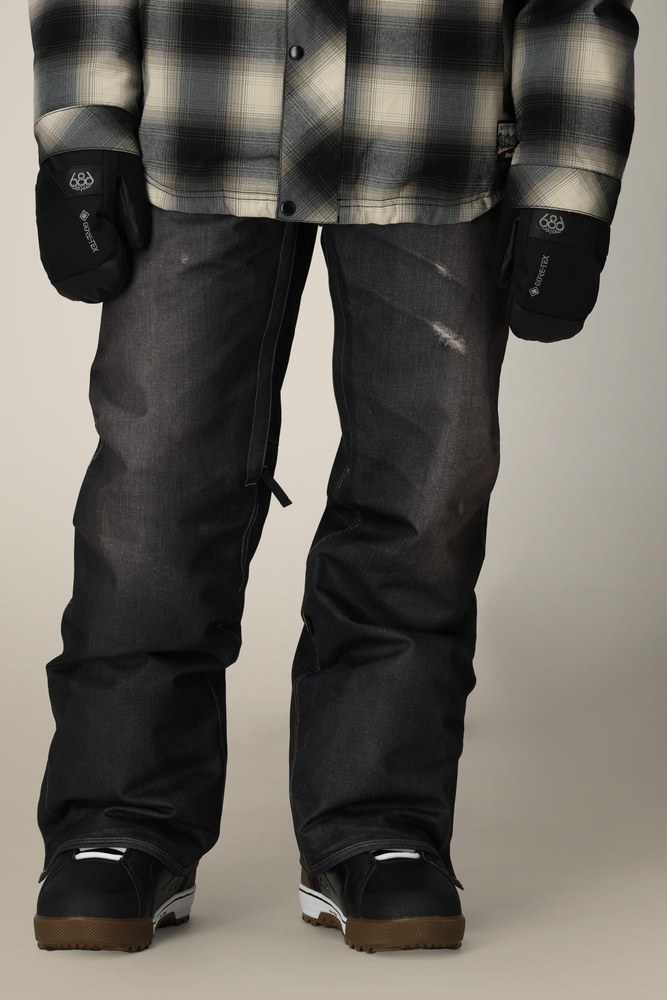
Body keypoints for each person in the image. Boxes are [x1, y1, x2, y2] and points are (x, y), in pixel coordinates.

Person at [28, 0, 639, 953]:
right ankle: (119, 818)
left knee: (426, 494)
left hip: (436, 128)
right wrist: (83, 131)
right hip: (201, 121)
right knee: (154, 488)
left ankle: (380, 826)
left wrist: (569, 179)